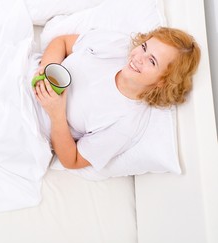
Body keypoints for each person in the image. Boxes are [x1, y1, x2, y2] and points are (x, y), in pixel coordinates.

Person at [32, 27, 200, 170]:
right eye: (144, 47)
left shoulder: (126, 124)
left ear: (163, 81)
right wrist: (46, 67)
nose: (138, 58)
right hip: (25, 73)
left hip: (30, 124)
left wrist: (57, 115)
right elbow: (62, 42)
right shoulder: (118, 46)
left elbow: (72, 160)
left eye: (152, 61)